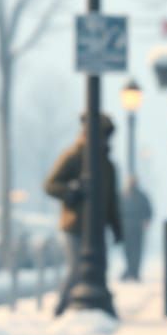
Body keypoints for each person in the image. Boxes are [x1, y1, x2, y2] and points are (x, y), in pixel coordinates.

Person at [44, 112, 123, 316]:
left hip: (97, 226)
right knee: (77, 268)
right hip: (76, 225)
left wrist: (116, 228)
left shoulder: (107, 165)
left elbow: (111, 200)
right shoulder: (74, 156)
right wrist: (73, 189)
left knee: (99, 266)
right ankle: (61, 308)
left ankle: (101, 309)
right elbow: (51, 185)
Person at [119, 175, 153, 281]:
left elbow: (148, 211)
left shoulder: (141, 196)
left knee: (137, 251)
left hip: (137, 228)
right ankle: (130, 270)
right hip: (126, 228)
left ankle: (135, 272)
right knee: (128, 251)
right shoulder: (123, 195)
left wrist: (146, 221)